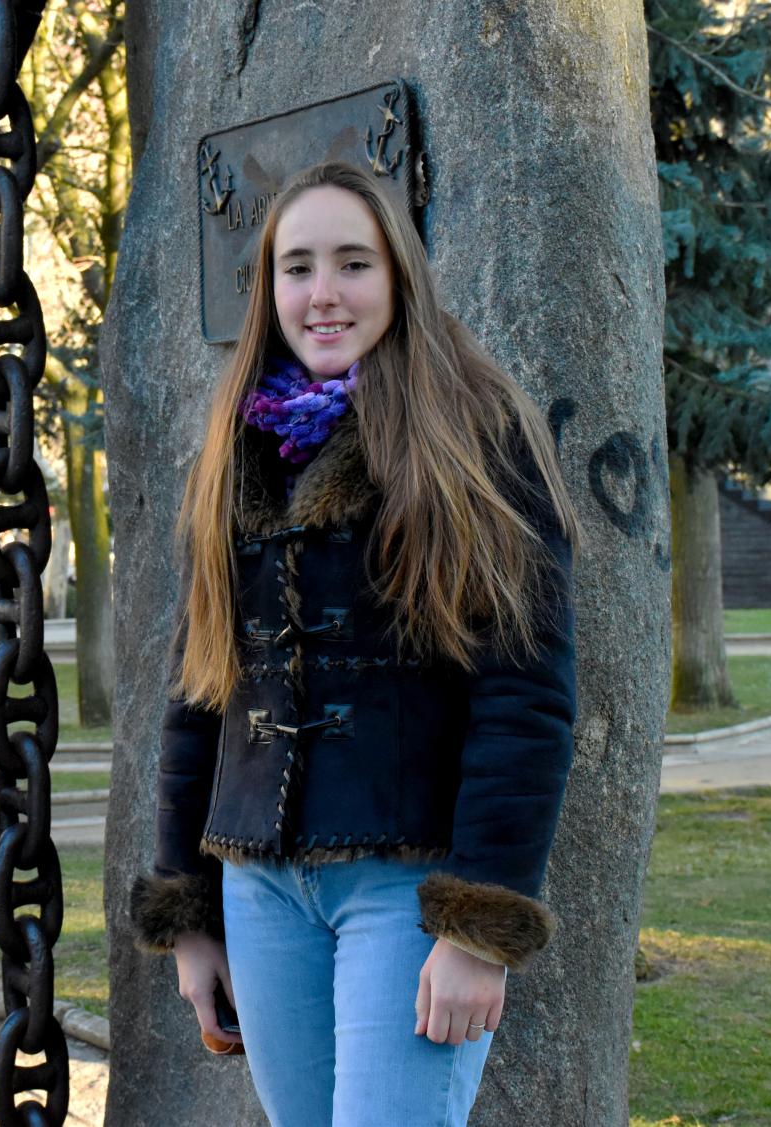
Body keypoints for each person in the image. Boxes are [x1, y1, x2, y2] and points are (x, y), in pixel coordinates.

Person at [128, 160, 579, 1126]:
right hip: (258, 892)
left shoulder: (475, 433)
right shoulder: (236, 448)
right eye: (296, 267)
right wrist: (189, 915)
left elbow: (526, 698)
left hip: (407, 890)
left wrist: (479, 924)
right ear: (269, 290)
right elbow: (197, 691)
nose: (323, 293)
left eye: (352, 263)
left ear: (399, 277)